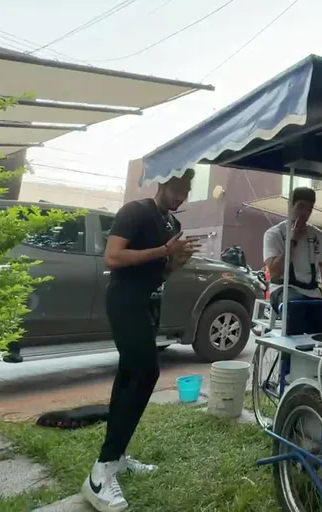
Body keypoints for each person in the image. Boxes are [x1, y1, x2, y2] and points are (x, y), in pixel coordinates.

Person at [82, 170, 200, 512]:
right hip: (125, 300)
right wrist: (163, 249)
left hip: (149, 302)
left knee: (130, 375)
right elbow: (113, 256)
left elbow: (160, 271)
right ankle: (100, 473)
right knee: (145, 371)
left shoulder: (173, 225)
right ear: (163, 183)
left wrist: (176, 261)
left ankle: (116, 456)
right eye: (178, 189)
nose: (182, 196)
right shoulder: (135, 211)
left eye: (187, 191)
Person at [263, 186, 322, 335]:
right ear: (290, 205)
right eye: (300, 206)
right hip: (283, 289)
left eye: (309, 209)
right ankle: (290, 349)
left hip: (312, 290)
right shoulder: (274, 234)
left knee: (320, 315)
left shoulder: (317, 235)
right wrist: (294, 238)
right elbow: (275, 272)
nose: (304, 213)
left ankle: (314, 347)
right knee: (295, 306)